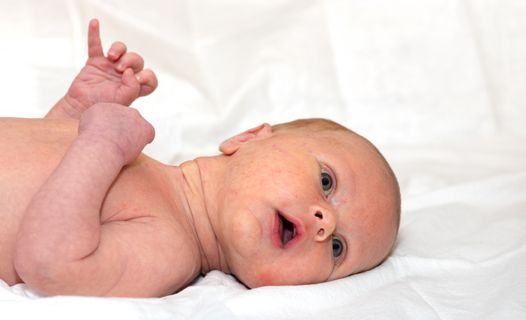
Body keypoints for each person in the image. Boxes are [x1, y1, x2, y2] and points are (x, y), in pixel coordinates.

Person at [0, 19, 400, 297]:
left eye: (337, 251)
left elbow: (49, 262)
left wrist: (99, 145)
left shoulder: (170, 249)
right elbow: (37, 183)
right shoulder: (151, 174)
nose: (325, 224)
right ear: (246, 138)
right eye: (327, 182)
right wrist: (74, 114)